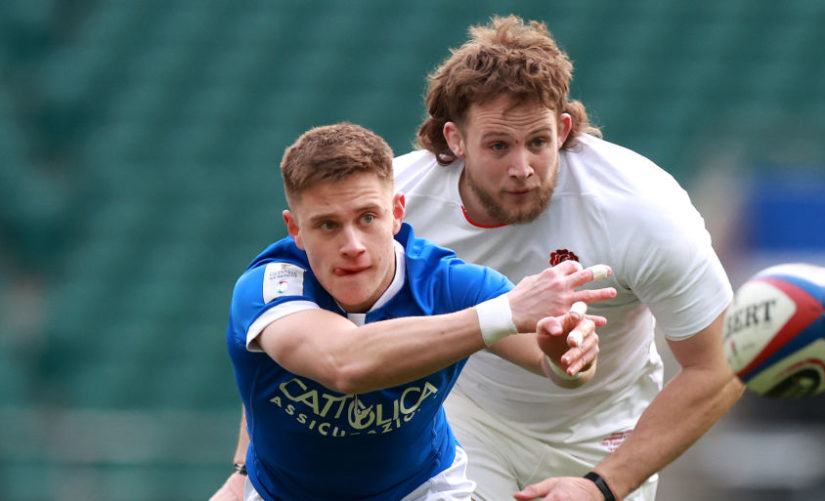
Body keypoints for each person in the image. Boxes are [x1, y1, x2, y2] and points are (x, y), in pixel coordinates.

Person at [393, 15, 745, 501]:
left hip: (601, 437)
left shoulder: (639, 209)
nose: (522, 169)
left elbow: (721, 364)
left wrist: (602, 486)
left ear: (561, 129)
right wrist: (247, 466)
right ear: (455, 141)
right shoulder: (396, 205)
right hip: (463, 417)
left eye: (538, 142)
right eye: (498, 146)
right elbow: (312, 323)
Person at [214, 122, 616, 501]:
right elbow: (344, 364)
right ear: (295, 229)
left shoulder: (451, 285)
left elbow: (560, 369)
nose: (352, 244)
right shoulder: (271, 288)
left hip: (423, 488)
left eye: (368, 217)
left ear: (398, 212)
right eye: (327, 225)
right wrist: (504, 314)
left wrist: (568, 351)